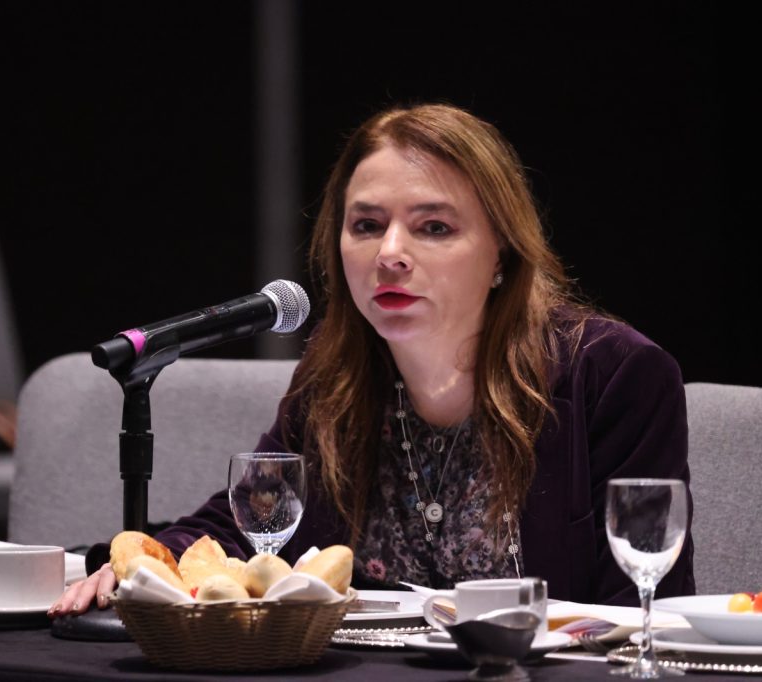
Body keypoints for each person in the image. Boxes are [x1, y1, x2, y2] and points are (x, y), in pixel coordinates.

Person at [49, 103, 694, 618]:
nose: (390, 253)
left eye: (433, 227)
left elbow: (645, 608)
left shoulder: (613, 376)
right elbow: (251, 522)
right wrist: (150, 561)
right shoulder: (335, 377)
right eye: (366, 225)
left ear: (502, 251)